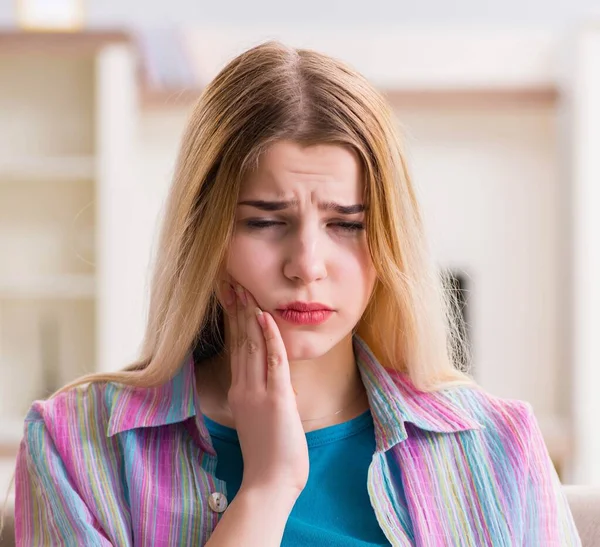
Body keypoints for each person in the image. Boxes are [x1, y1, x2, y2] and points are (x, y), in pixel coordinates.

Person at [8, 40, 580, 546]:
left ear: (388, 242)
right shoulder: (75, 446)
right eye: (263, 221)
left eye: (347, 224)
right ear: (205, 236)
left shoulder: (500, 446)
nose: (307, 264)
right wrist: (266, 489)